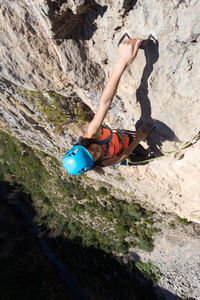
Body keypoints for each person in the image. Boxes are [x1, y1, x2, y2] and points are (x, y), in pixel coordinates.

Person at [63, 38, 149, 175]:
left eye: (90, 149)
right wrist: (137, 141)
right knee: (145, 158)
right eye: (95, 155)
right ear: (95, 162)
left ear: (83, 145)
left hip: (126, 139)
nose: (96, 151)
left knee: (145, 149)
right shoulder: (102, 162)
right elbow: (122, 157)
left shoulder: (92, 133)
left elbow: (104, 103)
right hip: (126, 149)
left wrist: (121, 62)